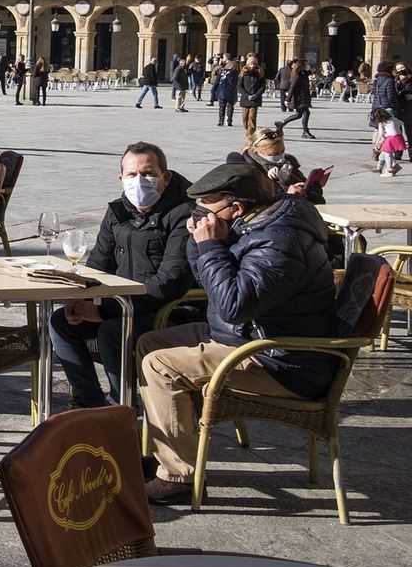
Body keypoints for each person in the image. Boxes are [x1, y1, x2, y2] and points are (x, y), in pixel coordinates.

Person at [135, 161, 339, 503]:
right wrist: (200, 242)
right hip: (250, 338)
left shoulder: (280, 242)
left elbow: (232, 306)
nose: (201, 215)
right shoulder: (253, 226)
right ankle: (167, 452)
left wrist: (210, 247)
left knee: (161, 365)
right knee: (149, 343)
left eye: (208, 207)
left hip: (282, 361)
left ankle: (178, 478)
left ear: (237, 207)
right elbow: (209, 283)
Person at [49, 142, 194, 409]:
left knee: (112, 331)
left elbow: (170, 282)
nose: (140, 181)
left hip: (168, 311)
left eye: (148, 173)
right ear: (121, 179)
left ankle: (122, 407)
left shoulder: (184, 214)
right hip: (120, 305)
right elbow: (97, 265)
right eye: (132, 175)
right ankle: (89, 404)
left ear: (166, 177)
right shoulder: (118, 211)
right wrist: (83, 301)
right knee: (60, 321)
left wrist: (106, 311)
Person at [275, 60, 317, 138]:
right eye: (306, 65)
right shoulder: (298, 76)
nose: (308, 66)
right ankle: (305, 131)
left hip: (304, 97)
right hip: (299, 99)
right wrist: (287, 99)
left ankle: (281, 123)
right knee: (306, 113)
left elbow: (309, 73)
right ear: (302, 66)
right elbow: (292, 88)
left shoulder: (303, 74)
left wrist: (311, 71)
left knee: (298, 115)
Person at [237, 53, 266, 141]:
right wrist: (246, 95)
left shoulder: (259, 74)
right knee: (245, 117)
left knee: (252, 117)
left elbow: (263, 87)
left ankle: (251, 133)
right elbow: (239, 86)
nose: (252, 66)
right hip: (245, 99)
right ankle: (247, 129)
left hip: (255, 99)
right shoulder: (243, 74)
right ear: (248, 64)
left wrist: (256, 95)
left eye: (254, 64)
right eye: (251, 64)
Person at [372, 107, 405, 176]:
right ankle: (393, 165)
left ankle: (389, 169)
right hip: (398, 137)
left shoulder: (381, 123)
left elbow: (381, 134)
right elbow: (401, 123)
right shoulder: (393, 119)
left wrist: (381, 141)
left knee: (387, 154)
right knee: (388, 152)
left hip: (390, 139)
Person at [210, 57, 237, 127]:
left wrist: (213, 90)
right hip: (230, 92)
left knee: (221, 107)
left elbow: (216, 82)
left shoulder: (221, 72)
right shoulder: (235, 73)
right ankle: (229, 121)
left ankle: (221, 121)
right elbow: (236, 83)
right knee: (230, 107)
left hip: (221, 92)